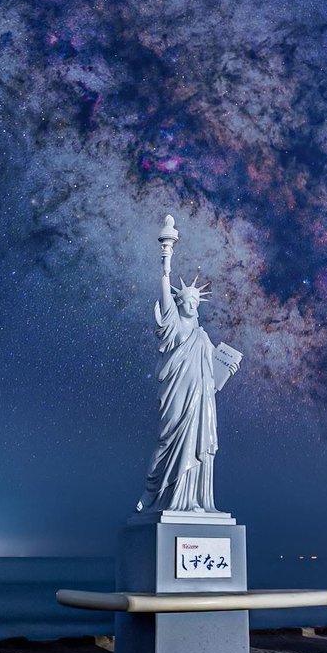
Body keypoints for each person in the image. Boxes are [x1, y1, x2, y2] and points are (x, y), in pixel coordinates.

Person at [136, 218, 239, 514]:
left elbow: (213, 378)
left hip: (202, 399)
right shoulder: (174, 325)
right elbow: (165, 294)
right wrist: (166, 262)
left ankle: (193, 500)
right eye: (188, 300)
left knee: (199, 446)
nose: (193, 304)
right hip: (177, 394)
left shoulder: (203, 336)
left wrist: (225, 371)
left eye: (196, 301)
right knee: (168, 439)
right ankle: (153, 491)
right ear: (181, 302)